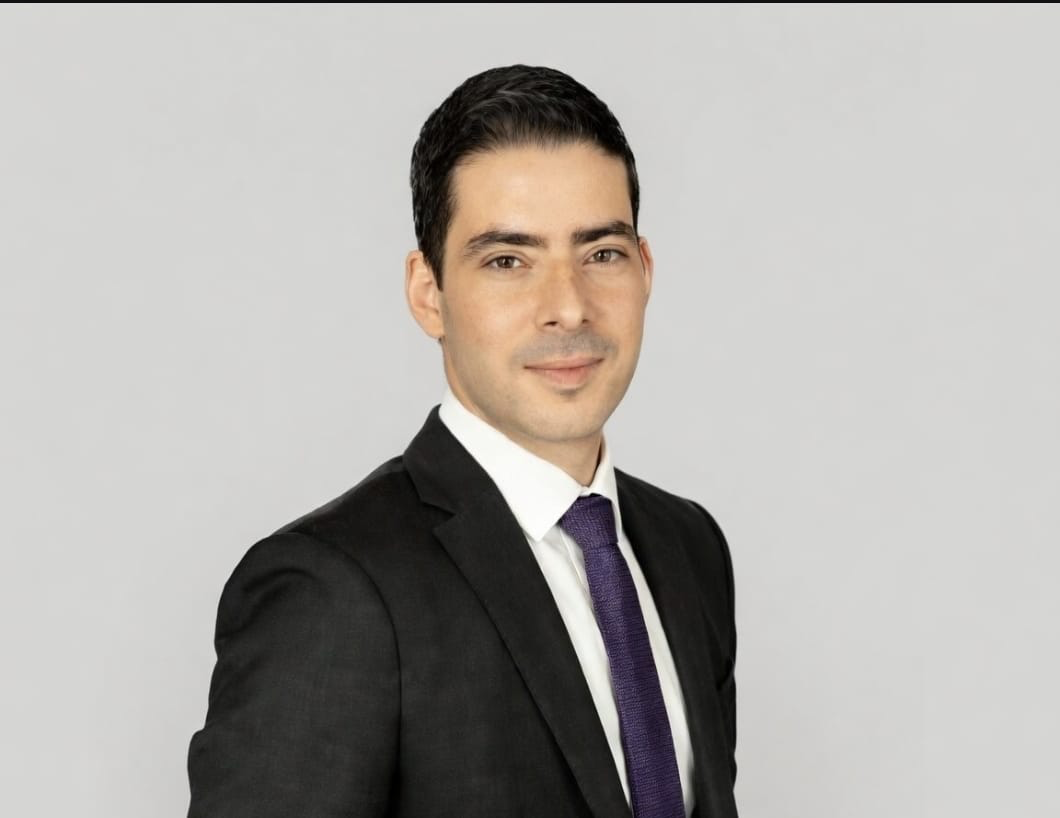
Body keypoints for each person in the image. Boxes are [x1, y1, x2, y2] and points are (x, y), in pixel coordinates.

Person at [186, 63, 738, 818]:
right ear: (429, 293)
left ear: (645, 270)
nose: (568, 306)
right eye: (508, 261)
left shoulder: (689, 549)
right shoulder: (333, 592)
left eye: (601, 253)